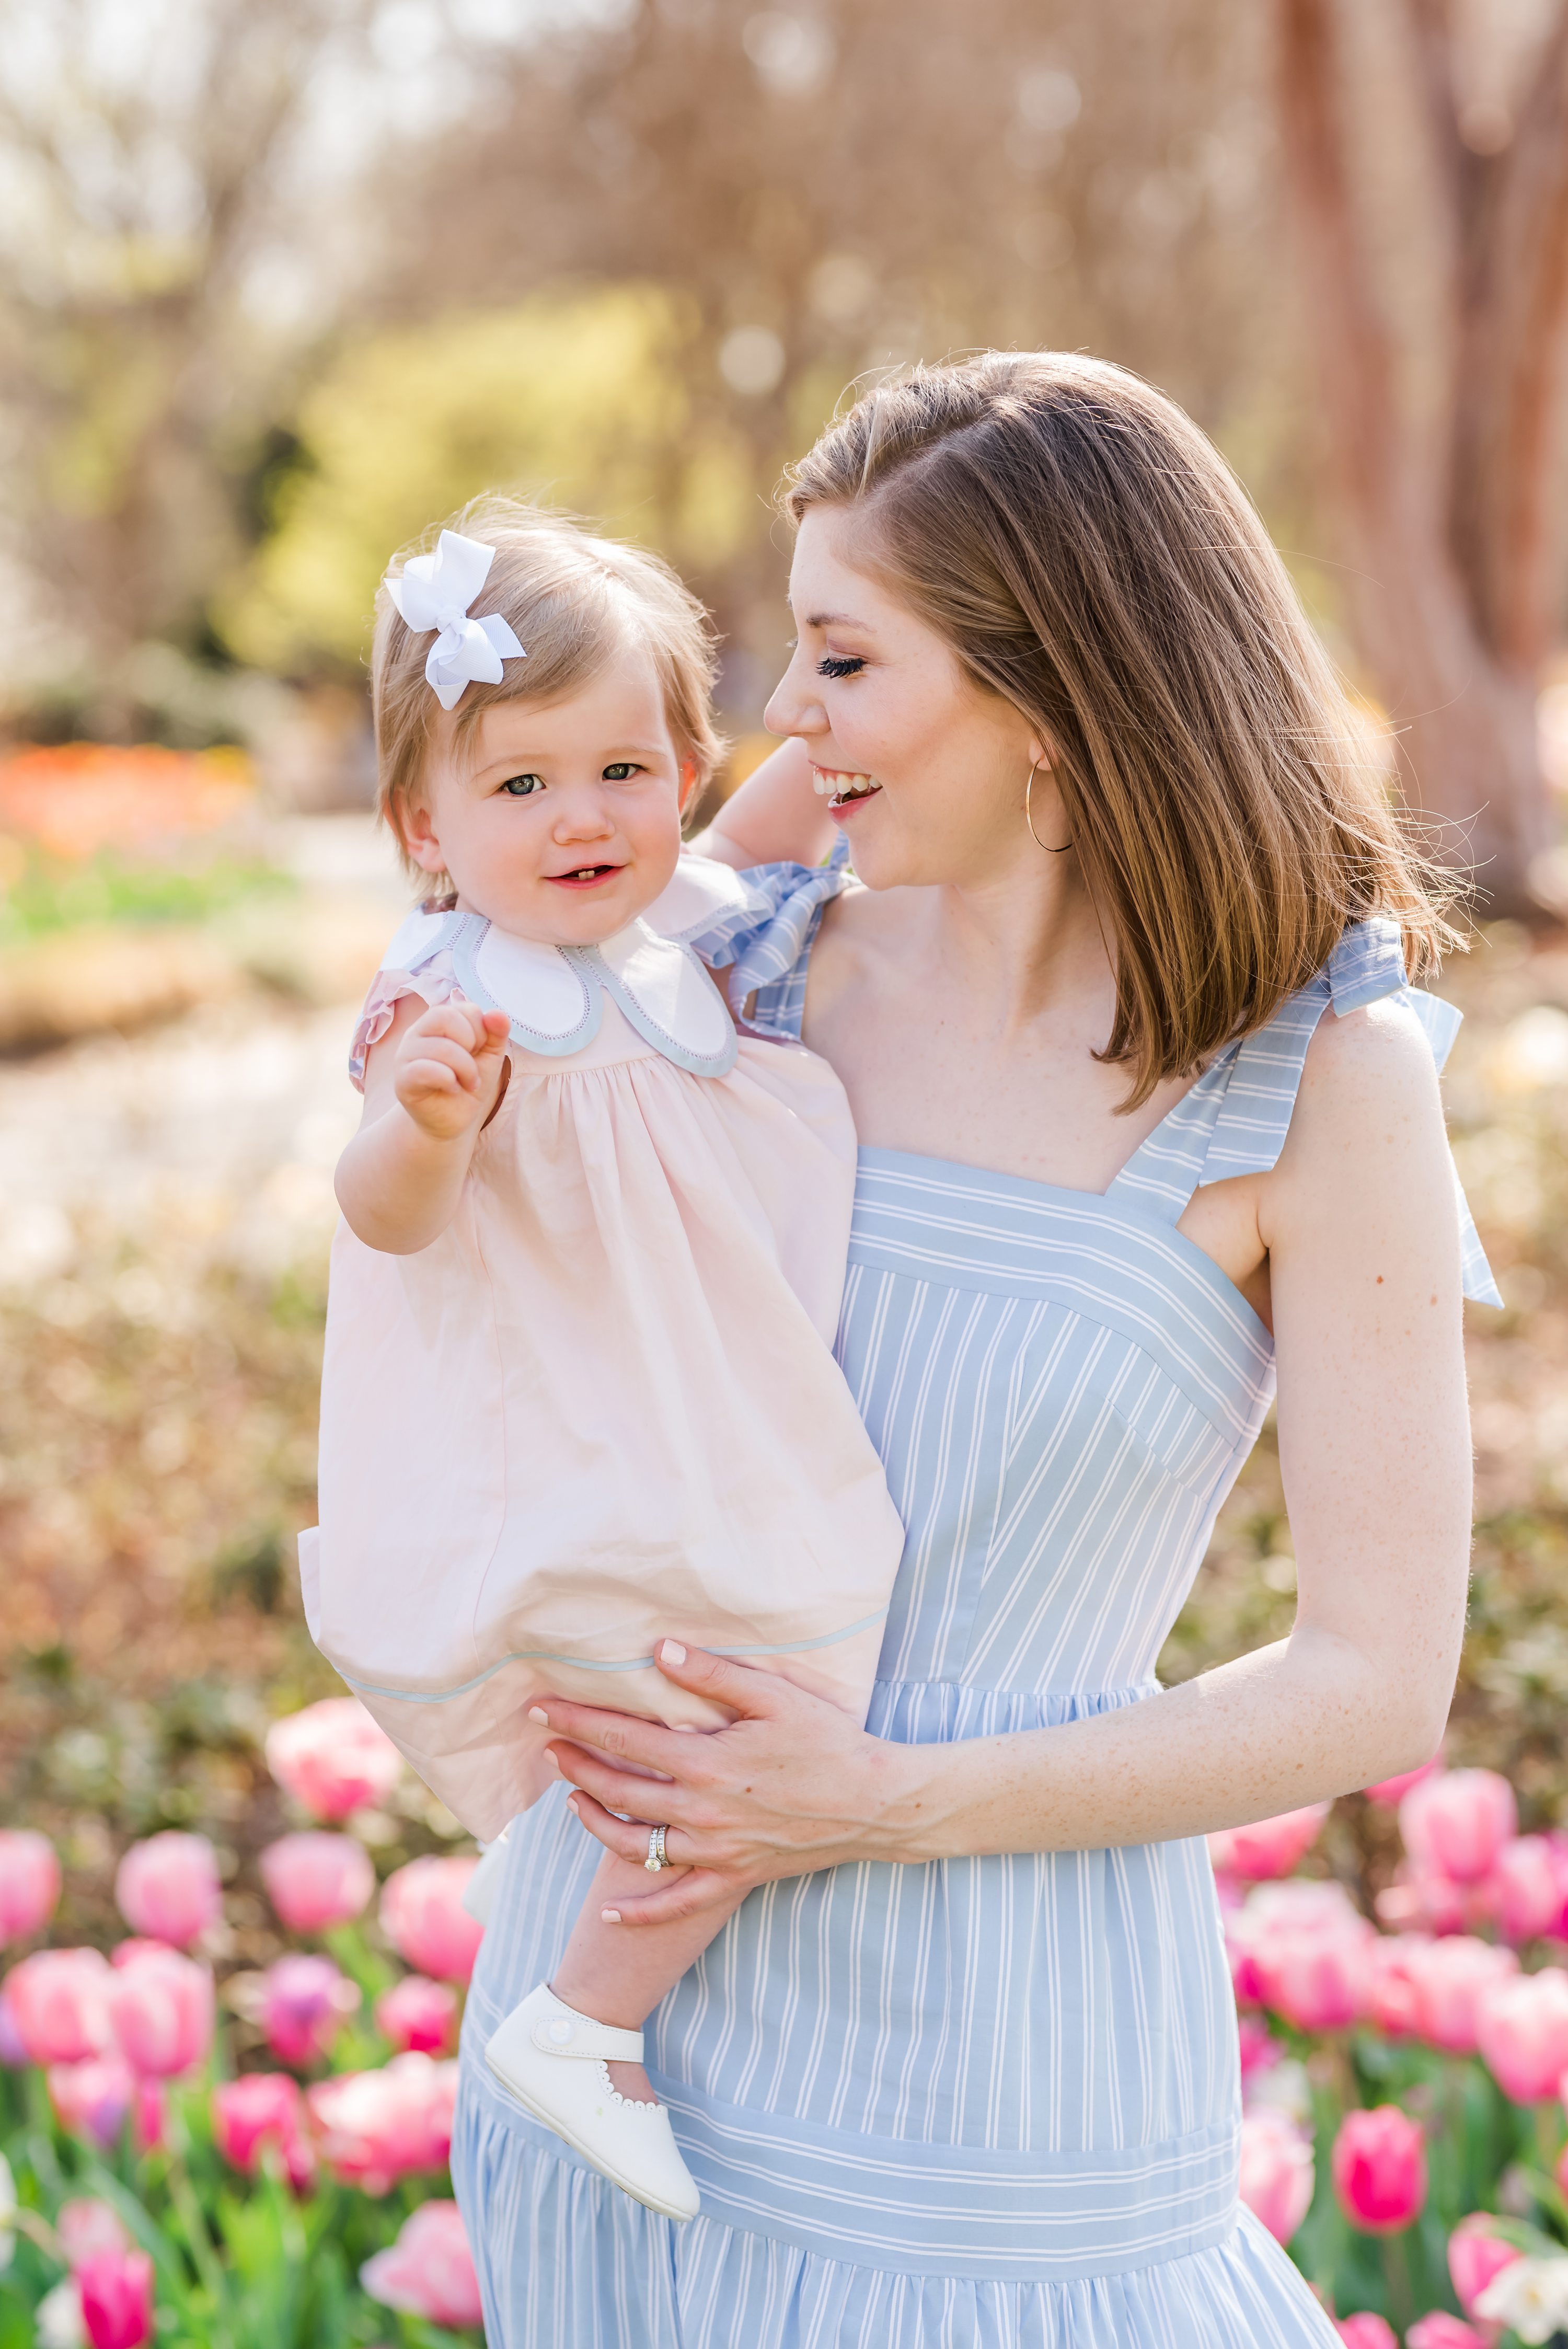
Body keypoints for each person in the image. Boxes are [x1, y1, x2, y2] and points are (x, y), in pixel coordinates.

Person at [451, 354, 1498, 2346]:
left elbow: (1379, 1681)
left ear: (1048, 698)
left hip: (1001, 2083)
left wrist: (878, 1803)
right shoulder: (738, 964)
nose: (785, 713)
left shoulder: (1319, 1084)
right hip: (612, 2035)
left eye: (846, 660)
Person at [306, 499, 904, 2225]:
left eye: (625, 772)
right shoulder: (453, 994)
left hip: (714, 1434)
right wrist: (421, 1126)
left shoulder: (691, 927)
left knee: (791, 1680)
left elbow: (804, 788)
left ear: (684, 770)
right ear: (425, 822)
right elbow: (388, 1220)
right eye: (520, 786)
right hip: (582, 1462)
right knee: (744, 1715)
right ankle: (588, 2018)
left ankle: (589, 2014)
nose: (584, 818)